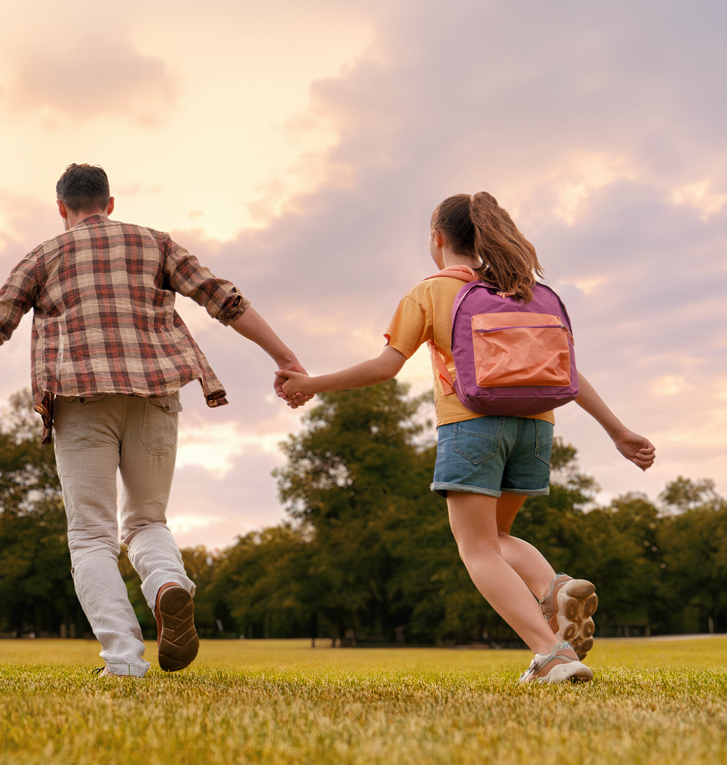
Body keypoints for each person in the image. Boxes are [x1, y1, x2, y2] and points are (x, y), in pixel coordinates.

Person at [0, 164, 305, 678]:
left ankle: (124, 660)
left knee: (91, 537)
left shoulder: (44, 255)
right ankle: (167, 583)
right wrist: (286, 358)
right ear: (110, 202)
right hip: (155, 391)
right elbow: (223, 300)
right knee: (147, 520)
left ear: (62, 209)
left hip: (81, 398)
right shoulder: (157, 244)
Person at [275, 192, 657, 684]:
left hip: (471, 424)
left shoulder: (429, 292)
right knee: (495, 538)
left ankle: (550, 652)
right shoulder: (519, 289)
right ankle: (553, 586)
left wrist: (311, 384)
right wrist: (619, 432)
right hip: (537, 429)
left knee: (476, 549)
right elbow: (569, 373)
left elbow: (385, 367)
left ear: (438, 238)